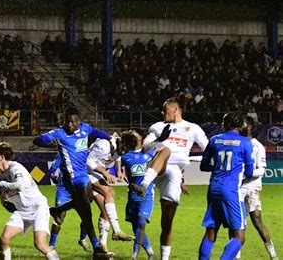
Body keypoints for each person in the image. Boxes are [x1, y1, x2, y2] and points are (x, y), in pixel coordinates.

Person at [32, 107, 113, 259]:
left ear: (78, 122)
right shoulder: (59, 133)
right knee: (86, 213)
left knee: (86, 203)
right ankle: (96, 248)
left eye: (73, 122)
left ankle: (59, 209)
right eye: (67, 121)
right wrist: (49, 144)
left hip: (84, 176)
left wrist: (110, 138)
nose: (70, 125)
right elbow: (37, 140)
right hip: (72, 179)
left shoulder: (85, 129)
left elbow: (96, 133)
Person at [137, 97, 209, 260]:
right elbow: (144, 149)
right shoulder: (157, 127)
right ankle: (144, 184)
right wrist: (159, 140)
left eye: (165, 110)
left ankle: (165, 258)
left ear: (175, 110)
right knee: (166, 150)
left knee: (167, 222)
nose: (162, 113)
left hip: (175, 173)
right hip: (158, 167)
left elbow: (208, 148)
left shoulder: (193, 128)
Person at [0, 142, 59, 260]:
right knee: (4, 238)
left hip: (38, 208)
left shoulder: (16, 168)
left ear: (1, 157)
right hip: (21, 211)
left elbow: (20, 185)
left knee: (40, 244)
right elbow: (2, 193)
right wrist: (4, 202)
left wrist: (3, 184)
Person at [198, 113, 254, 259]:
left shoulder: (215, 140)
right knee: (239, 236)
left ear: (224, 124)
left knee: (211, 232)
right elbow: (250, 172)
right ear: (241, 125)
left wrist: (218, 168)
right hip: (231, 192)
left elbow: (203, 166)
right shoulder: (245, 142)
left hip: (214, 189)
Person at [121, 129, 171, 260]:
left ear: (141, 139)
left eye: (135, 134)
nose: (132, 135)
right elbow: (116, 169)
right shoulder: (125, 157)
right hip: (132, 197)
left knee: (141, 223)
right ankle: (150, 252)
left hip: (147, 196)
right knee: (136, 228)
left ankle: (134, 255)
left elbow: (164, 162)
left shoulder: (151, 154)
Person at [234, 116, 278, 259]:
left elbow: (262, 169)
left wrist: (249, 174)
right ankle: (237, 256)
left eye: (243, 124)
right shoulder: (237, 143)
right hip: (238, 188)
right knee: (237, 223)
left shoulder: (257, 146)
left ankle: (273, 254)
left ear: (249, 127)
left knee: (257, 221)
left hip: (252, 187)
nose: (240, 126)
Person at [85, 135, 135, 250]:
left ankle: (102, 246)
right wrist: (105, 173)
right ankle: (117, 231)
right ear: (122, 142)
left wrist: (118, 171)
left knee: (106, 210)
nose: (125, 151)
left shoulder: (119, 148)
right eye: (126, 148)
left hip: (95, 174)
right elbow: (88, 162)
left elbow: (117, 157)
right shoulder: (104, 144)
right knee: (110, 192)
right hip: (85, 172)